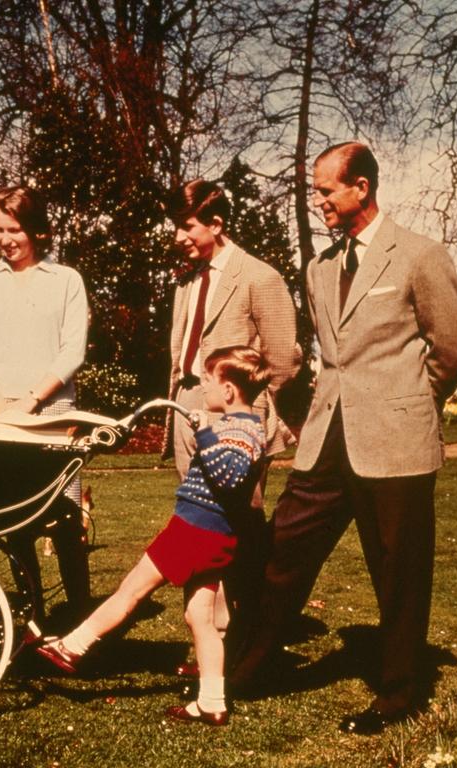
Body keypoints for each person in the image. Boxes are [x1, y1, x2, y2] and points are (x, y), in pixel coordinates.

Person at [228, 142, 457, 735]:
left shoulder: (419, 255)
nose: (319, 203)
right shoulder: (319, 269)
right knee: (281, 550)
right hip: (326, 439)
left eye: (326, 190)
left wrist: (408, 404)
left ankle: (398, 694)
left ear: (361, 187)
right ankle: (242, 673)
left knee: (398, 570)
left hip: (396, 441)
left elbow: (454, 351)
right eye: (316, 191)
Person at [36, 346, 270, 727]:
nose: (203, 388)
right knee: (201, 618)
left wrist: (205, 434)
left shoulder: (240, 429)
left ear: (228, 390)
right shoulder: (243, 425)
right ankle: (212, 701)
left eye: (207, 381)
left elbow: (230, 476)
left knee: (130, 592)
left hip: (194, 532)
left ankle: (71, 646)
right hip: (213, 535)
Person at [164, 178, 302, 673]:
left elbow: (283, 360)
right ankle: (210, 642)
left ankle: (253, 636)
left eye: (187, 225)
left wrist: (245, 411)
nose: (178, 235)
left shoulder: (259, 277)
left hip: (235, 418)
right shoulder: (185, 280)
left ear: (216, 224)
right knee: (197, 522)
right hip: (186, 410)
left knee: (241, 522)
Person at [0, 185, 90, 619]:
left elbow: (72, 351)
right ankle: (32, 614)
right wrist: (3, 410)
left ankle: (79, 614)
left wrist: (31, 402)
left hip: (52, 413)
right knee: (11, 520)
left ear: (35, 228)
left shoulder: (66, 280)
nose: (5, 238)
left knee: (66, 517)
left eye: (14, 228)